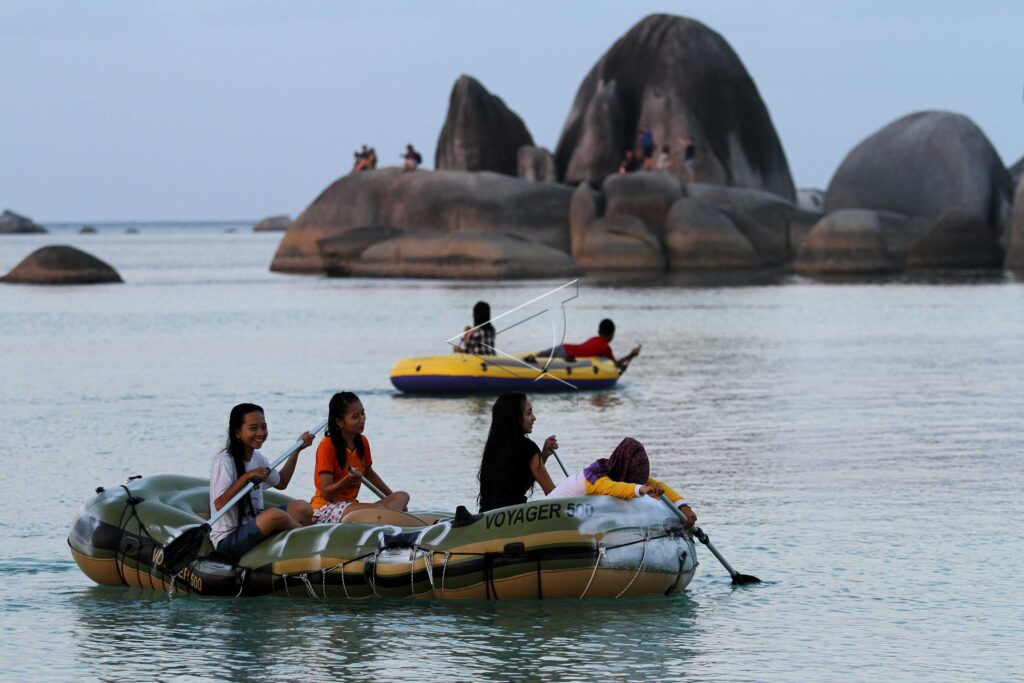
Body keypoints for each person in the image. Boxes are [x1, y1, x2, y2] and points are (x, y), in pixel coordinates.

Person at [209, 403, 315, 560]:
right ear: (237, 432)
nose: (260, 433)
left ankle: (300, 548)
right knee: (274, 515)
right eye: (253, 428)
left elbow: (282, 482)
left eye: (263, 427)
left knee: (303, 508)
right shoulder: (225, 460)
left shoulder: (258, 457)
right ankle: (314, 544)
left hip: (254, 525)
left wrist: (296, 450)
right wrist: (247, 477)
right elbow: (219, 504)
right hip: (228, 540)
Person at [546, 437, 697, 526]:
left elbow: (657, 485)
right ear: (626, 469)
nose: (639, 481)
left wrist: (682, 506)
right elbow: (613, 488)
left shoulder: (618, 469)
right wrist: (641, 490)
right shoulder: (595, 477)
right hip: (549, 516)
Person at [310, 391, 410, 523]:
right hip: (327, 508)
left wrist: (390, 496)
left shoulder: (362, 441)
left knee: (402, 496)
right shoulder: (327, 445)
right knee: (379, 509)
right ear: (339, 422)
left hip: (350, 506)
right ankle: (388, 519)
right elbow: (327, 493)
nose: (362, 419)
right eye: (355, 417)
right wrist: (348, 479)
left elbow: (369, 473)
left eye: (362, 413)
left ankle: (391, 519)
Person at [478, 392, 559, 512]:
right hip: (512, 521)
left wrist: (544, 455)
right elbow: (554, 495)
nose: (534, 418)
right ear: (515, 417)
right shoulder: (528, 448)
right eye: (529, 413)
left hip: (487, 517)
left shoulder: (494, 446)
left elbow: (515, 484)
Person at [533, 318, 640, 372]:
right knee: (537, 364)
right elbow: (615, 365)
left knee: (536, 358)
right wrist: (631, 355)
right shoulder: (605, 347)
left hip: (564, 347)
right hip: (566, 356)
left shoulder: (594, 339)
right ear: (611, 334)